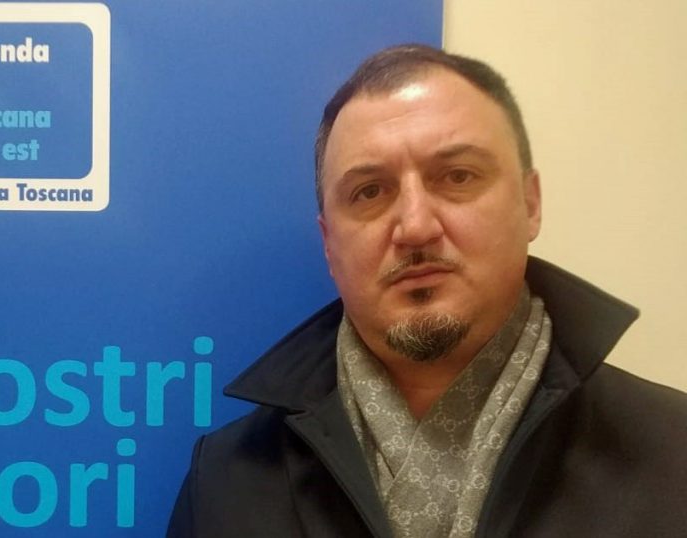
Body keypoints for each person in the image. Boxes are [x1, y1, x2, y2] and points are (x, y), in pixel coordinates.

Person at [167, 44, 687, 538]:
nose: (415, 226)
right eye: (370, 191)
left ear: (530, 204)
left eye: (457, 176)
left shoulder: (673, 452)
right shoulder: (225, 485)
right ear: (329, 243)